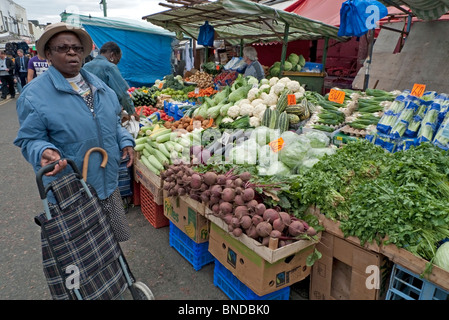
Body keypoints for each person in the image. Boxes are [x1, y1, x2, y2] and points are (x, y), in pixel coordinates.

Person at [13, 22, 135, 242]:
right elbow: (30, 139)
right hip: (70, 191)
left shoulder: (98, 85)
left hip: (107, 184)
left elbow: (114, 121)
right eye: (63, 47)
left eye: (77, 48)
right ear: (48, 54)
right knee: (82, 252)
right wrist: (44, 150)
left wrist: (125, 140)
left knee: (112, 245)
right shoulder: (34, 95)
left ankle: (118, 276)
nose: (72, 52)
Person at [83, 42, 134, 115]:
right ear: (112, 55)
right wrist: (131, 111)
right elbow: (122, 93)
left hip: (88, 111)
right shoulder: (110, 67)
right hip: (106, 113)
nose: (116, 64)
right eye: (117, 60)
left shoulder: (86, 66)